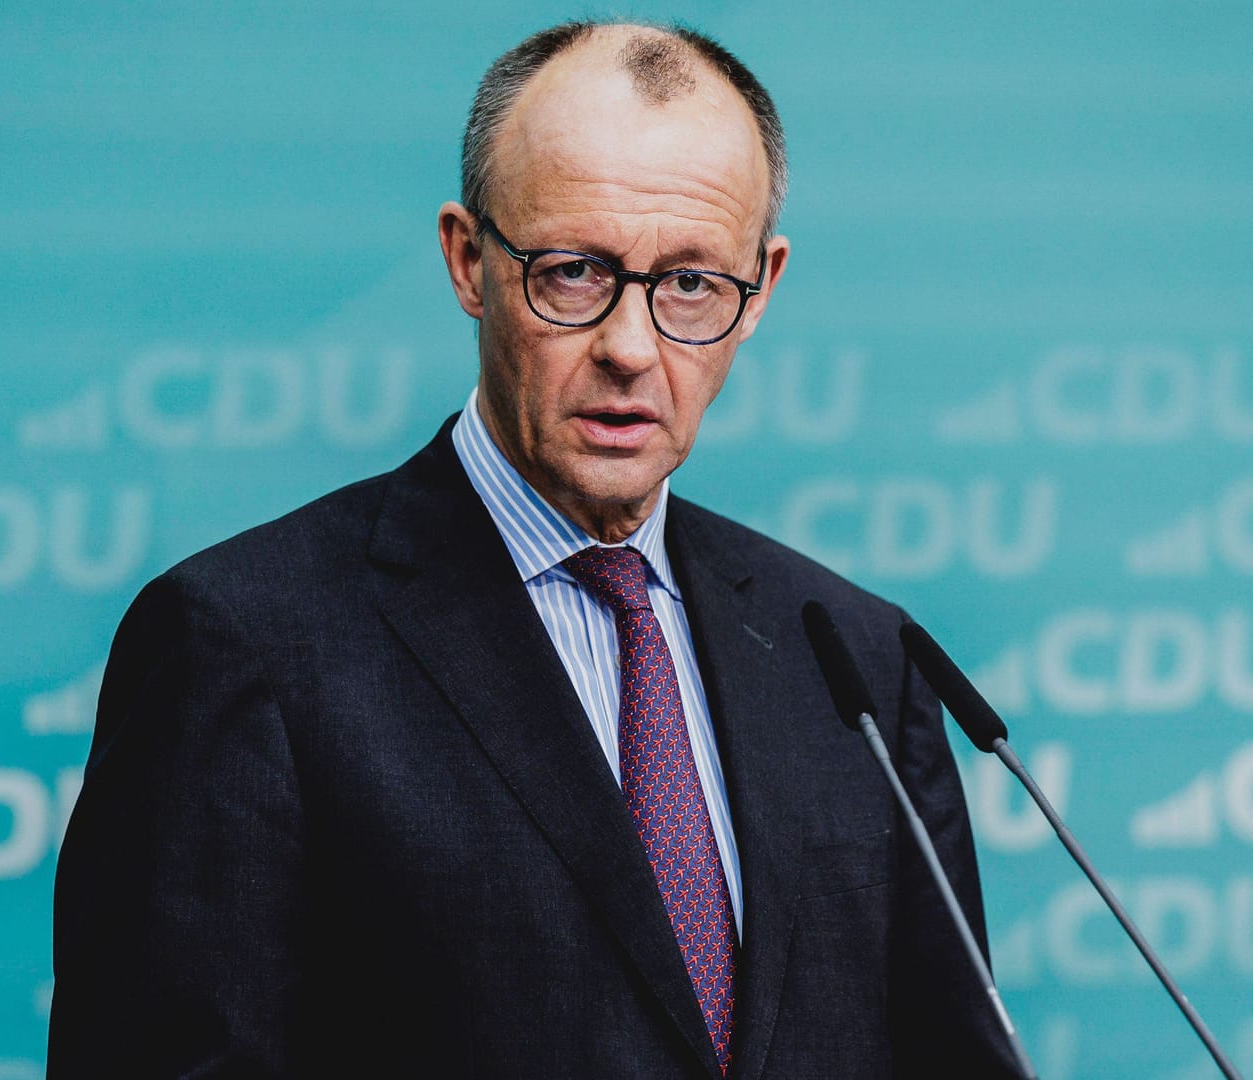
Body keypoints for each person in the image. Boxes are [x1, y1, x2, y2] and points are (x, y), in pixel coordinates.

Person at [49, 20, 1022, 1079]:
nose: (631, 346)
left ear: (763, 290)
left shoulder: (854, 657)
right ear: (470, 261)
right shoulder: (244, 647)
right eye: (572, 273)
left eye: (692, 284)